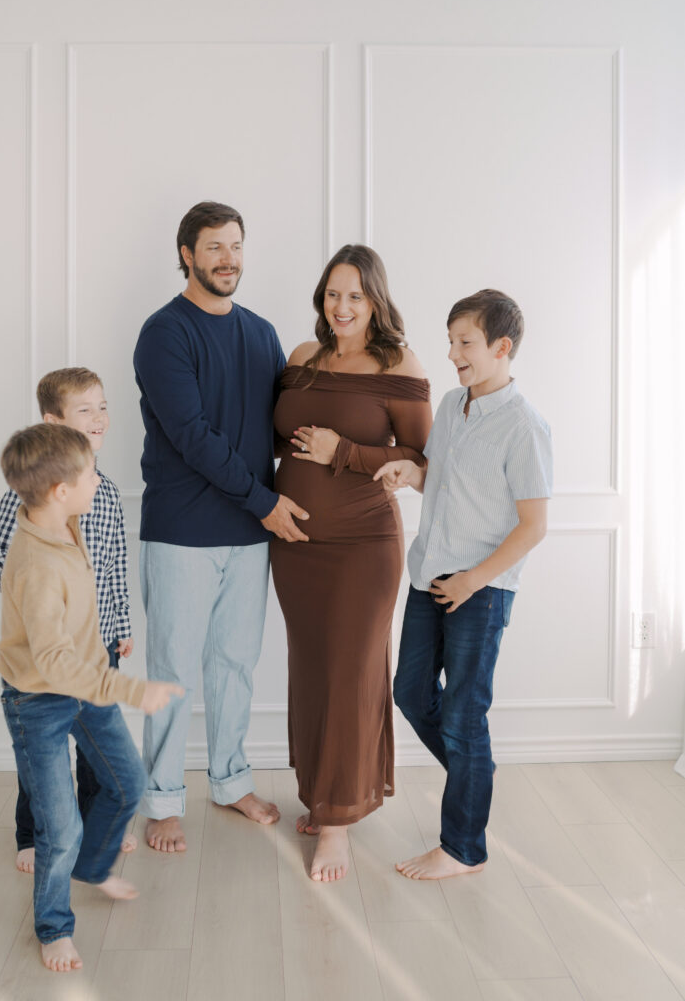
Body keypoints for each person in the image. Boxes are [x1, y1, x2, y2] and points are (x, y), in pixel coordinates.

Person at [134, 200, 307, 852]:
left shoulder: (261, 333)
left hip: (248, 532)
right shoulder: (163, 333)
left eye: (235, 245)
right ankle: (161, 800)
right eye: (213, 246)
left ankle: (231, 782)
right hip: (181, 530)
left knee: (234, 664)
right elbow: (191, 436)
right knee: (171, 669)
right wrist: (263, 501)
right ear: (186, 254)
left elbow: (278, 427)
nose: (227, 257)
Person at [374, 289, 552, 880]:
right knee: (410, 693)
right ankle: (474, 781)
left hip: (482, 588)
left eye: (465, 342)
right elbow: (443, 481)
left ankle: (461, 848)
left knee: (463, 714)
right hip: (430, 576)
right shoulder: (452, 406)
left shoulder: (525, 427)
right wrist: (413, 473)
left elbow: (534, 526)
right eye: (451, 340)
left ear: (502, 347)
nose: (452, 352)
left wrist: (475, 580)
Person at [271, 244, 432, 882]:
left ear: (375, 300)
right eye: (333, 294)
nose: (342, 307)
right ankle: (321, 795)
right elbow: (282, 441)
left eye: (355, 296)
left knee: (348, 673)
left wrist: (346, 453)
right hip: (296, 546)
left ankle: (336, 823)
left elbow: (421, 462)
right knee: (313, 672)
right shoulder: (301, 358)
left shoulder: (400, 362)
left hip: (364, 546)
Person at [0, 423, 181, 972]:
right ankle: (54, 927)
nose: (98, 478)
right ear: (60, 491)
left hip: (83, 688)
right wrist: (130, 689)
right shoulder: (36, 564)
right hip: (40, 703)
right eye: (91, 474)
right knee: (60, 828)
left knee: (127, 784)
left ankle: (94, 867)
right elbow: (52, 662)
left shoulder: (64, 523)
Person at [0, 367, 136, 874]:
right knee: (42, 754)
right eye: (84, 409)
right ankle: (34, 834)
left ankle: (97, 833)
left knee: (98, 750)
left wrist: (120, 625)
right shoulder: (33, 490)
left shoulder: (106, 491)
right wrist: (34, 609)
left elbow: (112, 564)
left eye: (102, 406)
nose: (99, 418)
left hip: (98, 646)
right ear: (53, 421)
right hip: (47, 655)